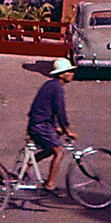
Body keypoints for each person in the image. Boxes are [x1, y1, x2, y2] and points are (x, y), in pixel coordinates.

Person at [26, 57, 78, 191]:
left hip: (37, 123)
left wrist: (56, 127)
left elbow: (48, 108)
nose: (72, 74)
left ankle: (29, 164)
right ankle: (50, 184)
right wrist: (67, 130)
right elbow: (60, 111)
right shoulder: (57, 88)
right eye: (69, 72)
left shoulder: (50, 85)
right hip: (41, 125)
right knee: (59, 151)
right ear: (62, 74)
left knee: (50, 148)